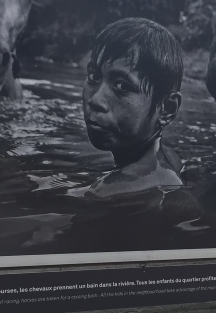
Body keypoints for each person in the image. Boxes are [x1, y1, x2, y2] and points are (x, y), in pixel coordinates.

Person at [75, 18, 186, 198]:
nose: (95, 100)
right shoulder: (170, 160)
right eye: (94, 76)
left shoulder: (104, 193)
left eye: (122, 86)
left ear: (167, 109)